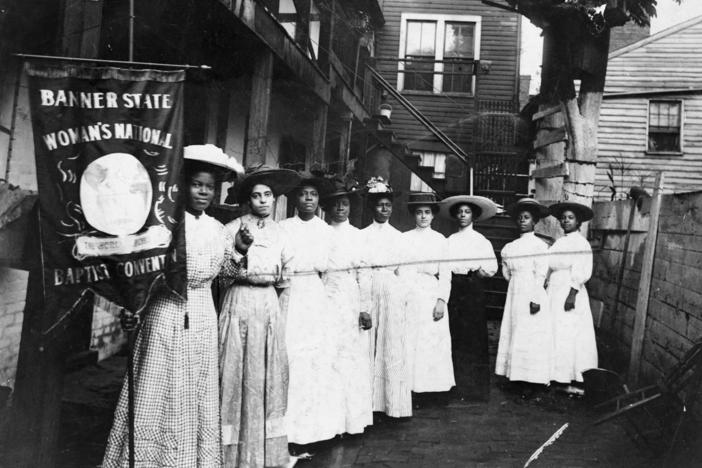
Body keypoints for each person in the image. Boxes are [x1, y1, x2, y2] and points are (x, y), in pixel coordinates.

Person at [102, 144, 243, 467]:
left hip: (203, 314)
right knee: (157, 384)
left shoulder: (218, 230)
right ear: (184, 185)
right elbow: (141, 270)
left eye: (209, 187)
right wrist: (132, 307)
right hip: (165, 311)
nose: (203, 192)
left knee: (196, 388)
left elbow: (225, 276)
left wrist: (238, 252)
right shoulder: (165, 224)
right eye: (197, 185)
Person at [219, 165, 300, 468]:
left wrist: (278, 318)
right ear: (247, 199)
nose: (263, 201)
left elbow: (286, 280)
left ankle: (264, 455)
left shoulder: (282, 233)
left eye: (268, 195)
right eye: (256, 196)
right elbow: (223, 275)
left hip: (268, 304)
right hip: (238, 300)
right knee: (234, 372)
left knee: (264, 374)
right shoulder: (232, 229)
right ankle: (231, 455)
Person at [279, 172, 345, 446]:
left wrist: (325, 304)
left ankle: (317, 430)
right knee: (290, 355)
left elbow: (333, 273)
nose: (308, 199)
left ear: (318, 200)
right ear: (295, 198)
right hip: (290, 294)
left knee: (317, 359)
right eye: (303, 194)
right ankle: (287, 430)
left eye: (313, 194)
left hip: (315, 297)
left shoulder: (327, 231)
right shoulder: (282, 228)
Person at [321, 176, 373, 435]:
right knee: (328, 355)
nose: (340, 209)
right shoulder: (322, 232)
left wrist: (365, 306)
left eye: (344, 204)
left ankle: (350, 421)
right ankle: (329, 422)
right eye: (335, 205)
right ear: (328, 208)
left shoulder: (358, 236)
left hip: (350, 296)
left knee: (350, 356)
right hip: (327, 295)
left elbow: (364, 271)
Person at [361, 177, 412, 418]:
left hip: (392, 289)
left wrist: (401, 295)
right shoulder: (362, 235)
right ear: (373, 207)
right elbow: (361, 268)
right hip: (369, 287)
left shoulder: (399, 237)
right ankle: (368, 404)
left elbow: (405, 271)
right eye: (380, 205)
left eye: (388, 205)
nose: (384, 209)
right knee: (367, 343)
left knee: (391, 344)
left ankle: (391, 403)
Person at [440, 195, 498, 400]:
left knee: (473, 337)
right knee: (454, 334)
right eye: (460, 212)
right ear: (456, 216)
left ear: (473, 216)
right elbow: (444, 267)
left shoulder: (481, 241)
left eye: (467, 212)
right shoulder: (450, 241)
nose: (463, 216)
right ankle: (455, 385)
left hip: (472, 289)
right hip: (455, 288)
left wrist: (475, 275)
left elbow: (492, 267)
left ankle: (474, 389)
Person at [495, 198, 552, 398]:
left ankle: (532, 380)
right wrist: (515, 281)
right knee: (514, 331)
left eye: (526, 218)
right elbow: (507, 273)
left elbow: (541, 274)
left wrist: (535, 297)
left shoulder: (540, 246)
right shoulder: (510, 247)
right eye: (520, 218)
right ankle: (515, 377)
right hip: (515, 293)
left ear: (534, 221)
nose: (522, 221)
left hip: (532, 292)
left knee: (530, 335)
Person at [402, 192, 455, 399]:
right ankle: (410, 388)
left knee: (432, 340)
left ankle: (433, 390)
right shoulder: (405, 238)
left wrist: (442, 300)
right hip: (411, 290)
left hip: (432, 291)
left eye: (427, 212)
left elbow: (446, 273)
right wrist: (404, 295)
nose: (423, 217)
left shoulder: (440, 240)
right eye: (419, 213)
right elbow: (402, 270)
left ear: (433, 216)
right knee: (410, 339)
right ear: (413, 215)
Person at [546, 201, 598, 385]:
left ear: (578, 222)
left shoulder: (580, 243)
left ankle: (568, 374)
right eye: (563, 218)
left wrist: (572, 294)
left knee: (567, 330)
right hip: (555, 288)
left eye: (570, 218)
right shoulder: (560, 242)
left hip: (569, 289)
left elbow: (582, 269)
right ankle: (553, 372)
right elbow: (550, 264)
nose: (566, 221)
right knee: (554, 329)